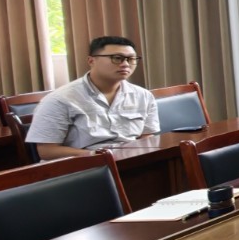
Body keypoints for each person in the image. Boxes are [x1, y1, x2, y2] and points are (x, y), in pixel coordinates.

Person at [24, 36, 159, 158]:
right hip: (83, 167)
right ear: (91, 60)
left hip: (131, 161)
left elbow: (147, 137)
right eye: (117, 58)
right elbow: (47, 151)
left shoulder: (143, 96)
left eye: (131, 59)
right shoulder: (59, 99)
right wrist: (98, 156)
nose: (126, 64)